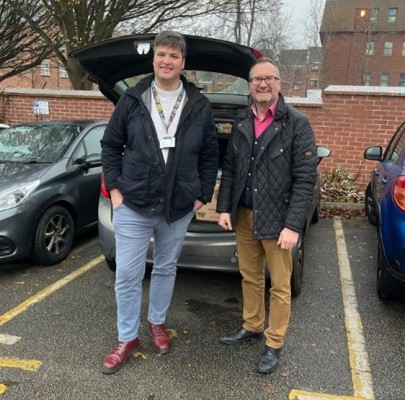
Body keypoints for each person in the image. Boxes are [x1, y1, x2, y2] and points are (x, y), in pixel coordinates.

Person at [100, 31, 218, 374]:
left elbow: (210, 154)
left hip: (179, 206)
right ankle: (126, 337)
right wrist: (117, 193)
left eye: (174, 56)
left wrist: (201, 196)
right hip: (134, 202)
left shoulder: (198, 104)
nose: (167, 61)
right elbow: (111, 146)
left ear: (183, 62)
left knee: (166, 268)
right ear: (153, 58)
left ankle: (157, 322)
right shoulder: (133, 99)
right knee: (128, 274)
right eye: (162, 54)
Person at [216, 57, 317, 374]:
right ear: (249, 85)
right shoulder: (241, 120)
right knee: (250, 276)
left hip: (278, 221)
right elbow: (231, 168)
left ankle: (273, 344)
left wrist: (292, 225)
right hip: (244, 215)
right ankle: (252, 324)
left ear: (279, 83)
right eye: (256, 79)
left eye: (268, 78)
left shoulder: (296, 123)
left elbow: (305, 178)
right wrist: (223, 207)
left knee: (280, 286)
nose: (262, 84)